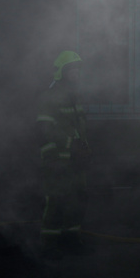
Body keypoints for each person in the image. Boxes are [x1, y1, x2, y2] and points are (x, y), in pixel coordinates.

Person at [36, 51, 92, 258]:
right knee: (56, 201)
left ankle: (71, 240)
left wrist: (85, 149)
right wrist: (68, 147)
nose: (76, 73)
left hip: (75, 160)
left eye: (78, 70)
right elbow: (44, 130)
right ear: (61, 72)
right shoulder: (50, 97)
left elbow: (79, 129)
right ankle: (49, 246)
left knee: (78, 199)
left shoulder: (75, 98)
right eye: (72, 70)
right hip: (57, 161)